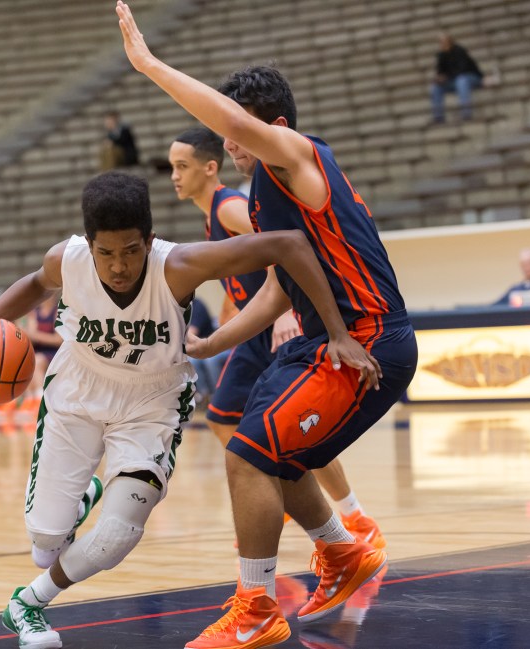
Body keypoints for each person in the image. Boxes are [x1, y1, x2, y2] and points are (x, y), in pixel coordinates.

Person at [0, 170, 369, 649]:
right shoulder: (66, 259)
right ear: (88, 244)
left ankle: (27, 605)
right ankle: (79, 502)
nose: (119, 266)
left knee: (116, 535)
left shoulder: (177, 265)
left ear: (150, 239)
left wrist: (337, 332)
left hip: (151, 402)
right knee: (44, 542)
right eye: (107, 253)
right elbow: (35, 283)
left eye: (131, 251)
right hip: (78, 391)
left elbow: (291, 245)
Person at [118, 5, 417, 648]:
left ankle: (257, 607)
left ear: (273, 127)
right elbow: (281, 285)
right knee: (265, 452)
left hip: (367, 337)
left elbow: (228, 121)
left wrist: (147, 64)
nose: (229, 144)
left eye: (241, 131)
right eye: (231, 135)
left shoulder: (298, 155)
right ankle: (341, 551)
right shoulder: (263, 196)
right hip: (326, 337)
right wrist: (209, 342)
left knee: (248, 458)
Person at [170, 126, 388, 547]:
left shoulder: (230, 206)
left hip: (278, 327)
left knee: (295, 434)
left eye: (182, 166)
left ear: (210, 168)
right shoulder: (211, 213)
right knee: (223, 417)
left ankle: (354, 517)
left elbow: (287, 248)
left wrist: (287, 307)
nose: (175, 176)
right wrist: (229, 319)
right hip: (256, 332)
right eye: (172, 167)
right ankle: (283, 498)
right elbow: (243, 281)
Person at [430, 32, 483, 123]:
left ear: (449, 41)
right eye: (440, 42)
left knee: (461, 80)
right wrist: (439, 78)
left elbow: (463, 69)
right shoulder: (441, 55)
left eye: (444, 42)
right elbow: (440, 71)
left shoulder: (459, 51)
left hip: (471, 78)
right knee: (436, 87)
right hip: (453, 81)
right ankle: (438, 116)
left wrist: (446, 77)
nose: (442, 44)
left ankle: (466, 113)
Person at [184, 295, 228, 403]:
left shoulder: (197, 306)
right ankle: (203, 396)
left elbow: (191, 334)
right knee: (190, 359)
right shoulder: (177, 308)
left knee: (209, 360)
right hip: (201, 347)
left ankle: (218, 396)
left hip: (216, 346)